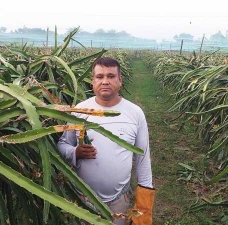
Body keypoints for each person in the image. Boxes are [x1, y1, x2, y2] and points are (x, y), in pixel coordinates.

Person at [57, 57, 155, 225]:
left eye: (111, 76)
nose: (105, 81)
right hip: (82, 198)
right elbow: (62, 144)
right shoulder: (79, 111)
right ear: (92, 81)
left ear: (120, 80)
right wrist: (75, 152)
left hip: (120, 200)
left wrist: (144, 208)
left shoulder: (135, 113)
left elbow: (143, 158)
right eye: (100, 76)